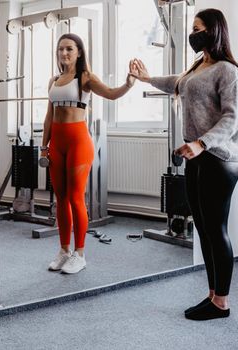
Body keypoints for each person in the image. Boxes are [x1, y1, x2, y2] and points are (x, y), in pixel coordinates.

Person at [131, 8, 238, 320]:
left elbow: (232, 118)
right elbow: (176, 83)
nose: (193, 34)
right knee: (204, 231)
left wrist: (201, 143)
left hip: (219, 160)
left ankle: (222, 301)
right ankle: (213, 295)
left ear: (213, 31)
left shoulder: (227, 71)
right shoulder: (199, 67)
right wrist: (146, 78)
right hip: (197, 158)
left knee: (216, 230)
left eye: (197, 28)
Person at [42, 33, 136, 274]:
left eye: (69, 49)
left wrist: (128, 83)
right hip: (57, 143)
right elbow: (49, 117)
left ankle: (80, 254)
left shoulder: (85, 77)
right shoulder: (54, 80)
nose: (64, 53)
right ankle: (64, 251)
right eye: (61, 49)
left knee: (75, 197)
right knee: (60, 198)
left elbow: (111, 94)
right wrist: (44, 146)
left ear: (79, 52)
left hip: (78, 142)